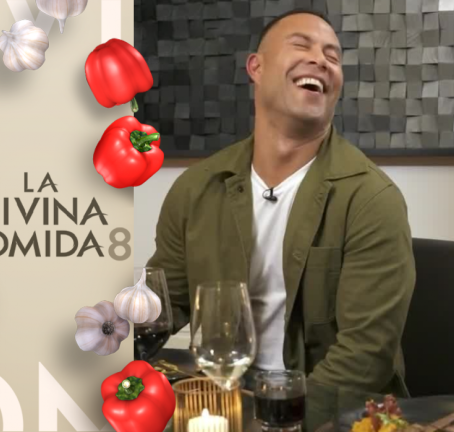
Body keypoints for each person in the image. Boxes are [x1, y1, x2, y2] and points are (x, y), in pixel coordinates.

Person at [145, 8, 415, 397]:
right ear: (255, 67)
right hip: (222, 398)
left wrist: (274, 415)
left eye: (333, 56)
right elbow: (160, 308)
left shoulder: (372, 199)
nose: (320, 60)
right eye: (301, 45)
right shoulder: (195, 188)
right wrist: (110, 325)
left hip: (329, 411)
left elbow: (365, 358)